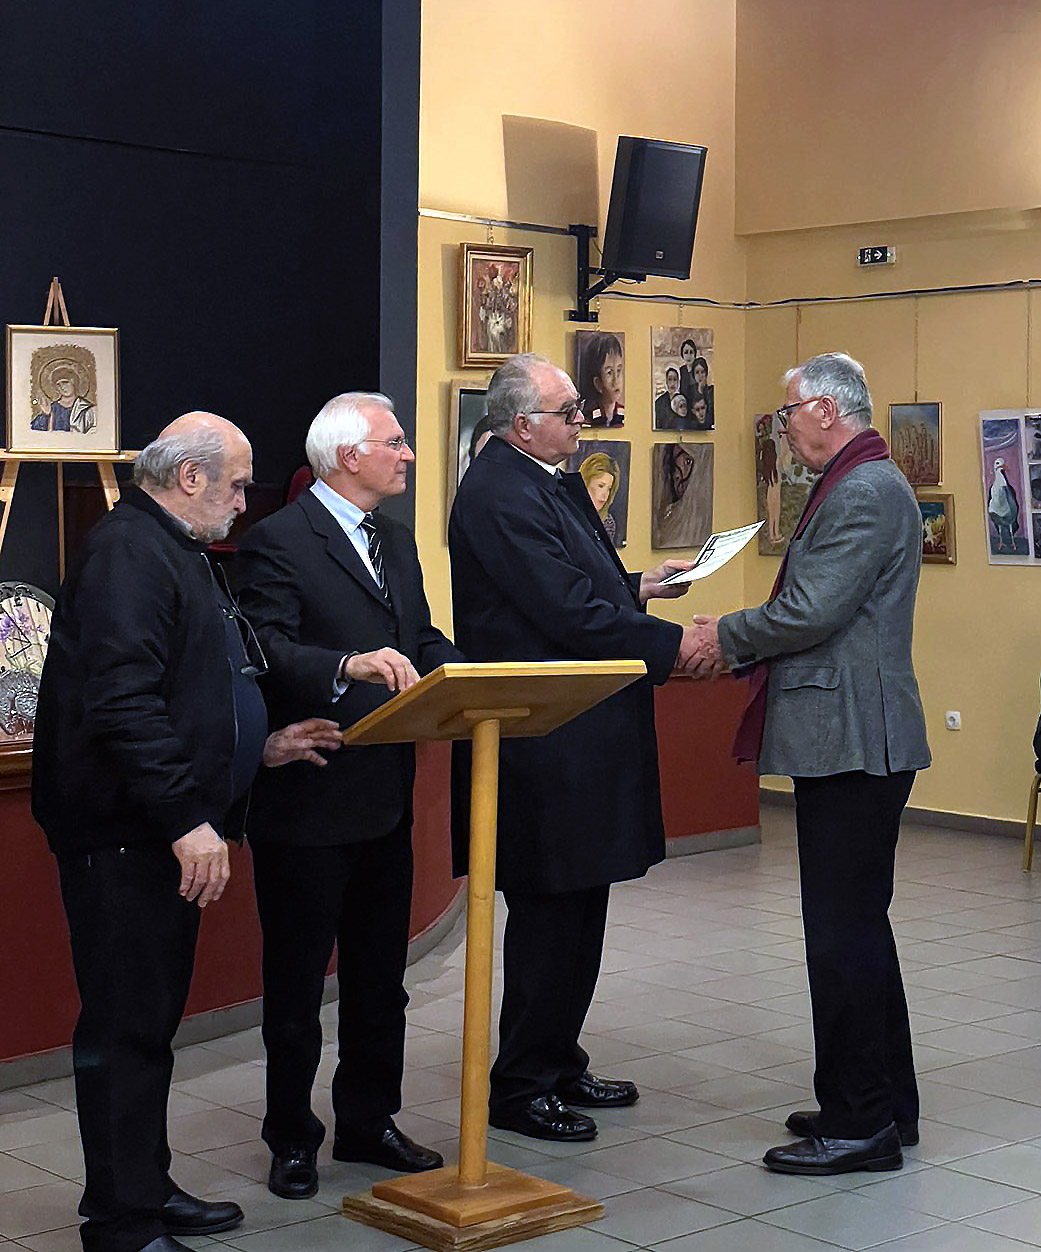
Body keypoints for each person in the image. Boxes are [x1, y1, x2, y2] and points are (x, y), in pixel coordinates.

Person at [31, 413, 344, 1252]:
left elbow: (190, 689)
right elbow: (122, 703)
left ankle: (144, 1187)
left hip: (152, 828)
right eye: (237, 484)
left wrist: (258, 745)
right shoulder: (128, 553)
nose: (245, 502)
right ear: (191, 477)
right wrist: (185, 818)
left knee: (148, 1028)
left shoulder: (169, 547)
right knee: (126, 1031)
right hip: (127, 834)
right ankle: (122, 1225)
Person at [686, 353, 931, 1177]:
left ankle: (859, 1125)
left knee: (841, 935)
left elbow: (811, 611)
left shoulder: (863, 490)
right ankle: (883, 1104)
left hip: (853, 739)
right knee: (858, 926)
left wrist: (720, 635)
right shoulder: (861, 480)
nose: (780, 426)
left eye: (785, 412)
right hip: (852, 737)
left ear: (826, 409)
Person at [448, 353, 702, 1143]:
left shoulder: (542, 480)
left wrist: (638, 587)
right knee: (550, 916)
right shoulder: (498, 492)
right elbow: (560, 610)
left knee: (579, 908)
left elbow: (577, 585)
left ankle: (557, 1060)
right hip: (543, 738)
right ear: (522, 424)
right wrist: (675, 646)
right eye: (567, 411)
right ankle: (521, 1085)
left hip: (577, 732)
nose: (581, 420)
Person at [235, 392, 463, 1201]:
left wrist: (470, 672)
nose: (408, 454)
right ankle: (292, 1137)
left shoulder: (393, 539)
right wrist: (344, 666)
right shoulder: (276, 540)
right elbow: (266, 649)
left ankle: (369, 1121)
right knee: (298, 985)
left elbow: (417, 639)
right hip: (309, 796)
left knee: (379, 979)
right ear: (346, 455)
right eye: (393, 442)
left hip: (385, 795)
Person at [31, 365, 96, 433]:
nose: (62, 387)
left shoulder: (86, 408)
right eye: (58, 385)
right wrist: (46, 415)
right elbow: (34, 431)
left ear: (73, 382)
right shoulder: (52, 408)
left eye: (65, 382)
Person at [578, 332, 625, 426]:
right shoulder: (587, 418)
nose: (616, 381)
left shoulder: (623, 413)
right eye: (609, 373)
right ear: (598, 383)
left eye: (619, 371)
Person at [577, 449, 620, 543]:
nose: (605, 495)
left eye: (609, 489)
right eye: (601, 486)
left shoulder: (607, 523)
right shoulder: (565, 513)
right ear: (585, 483)